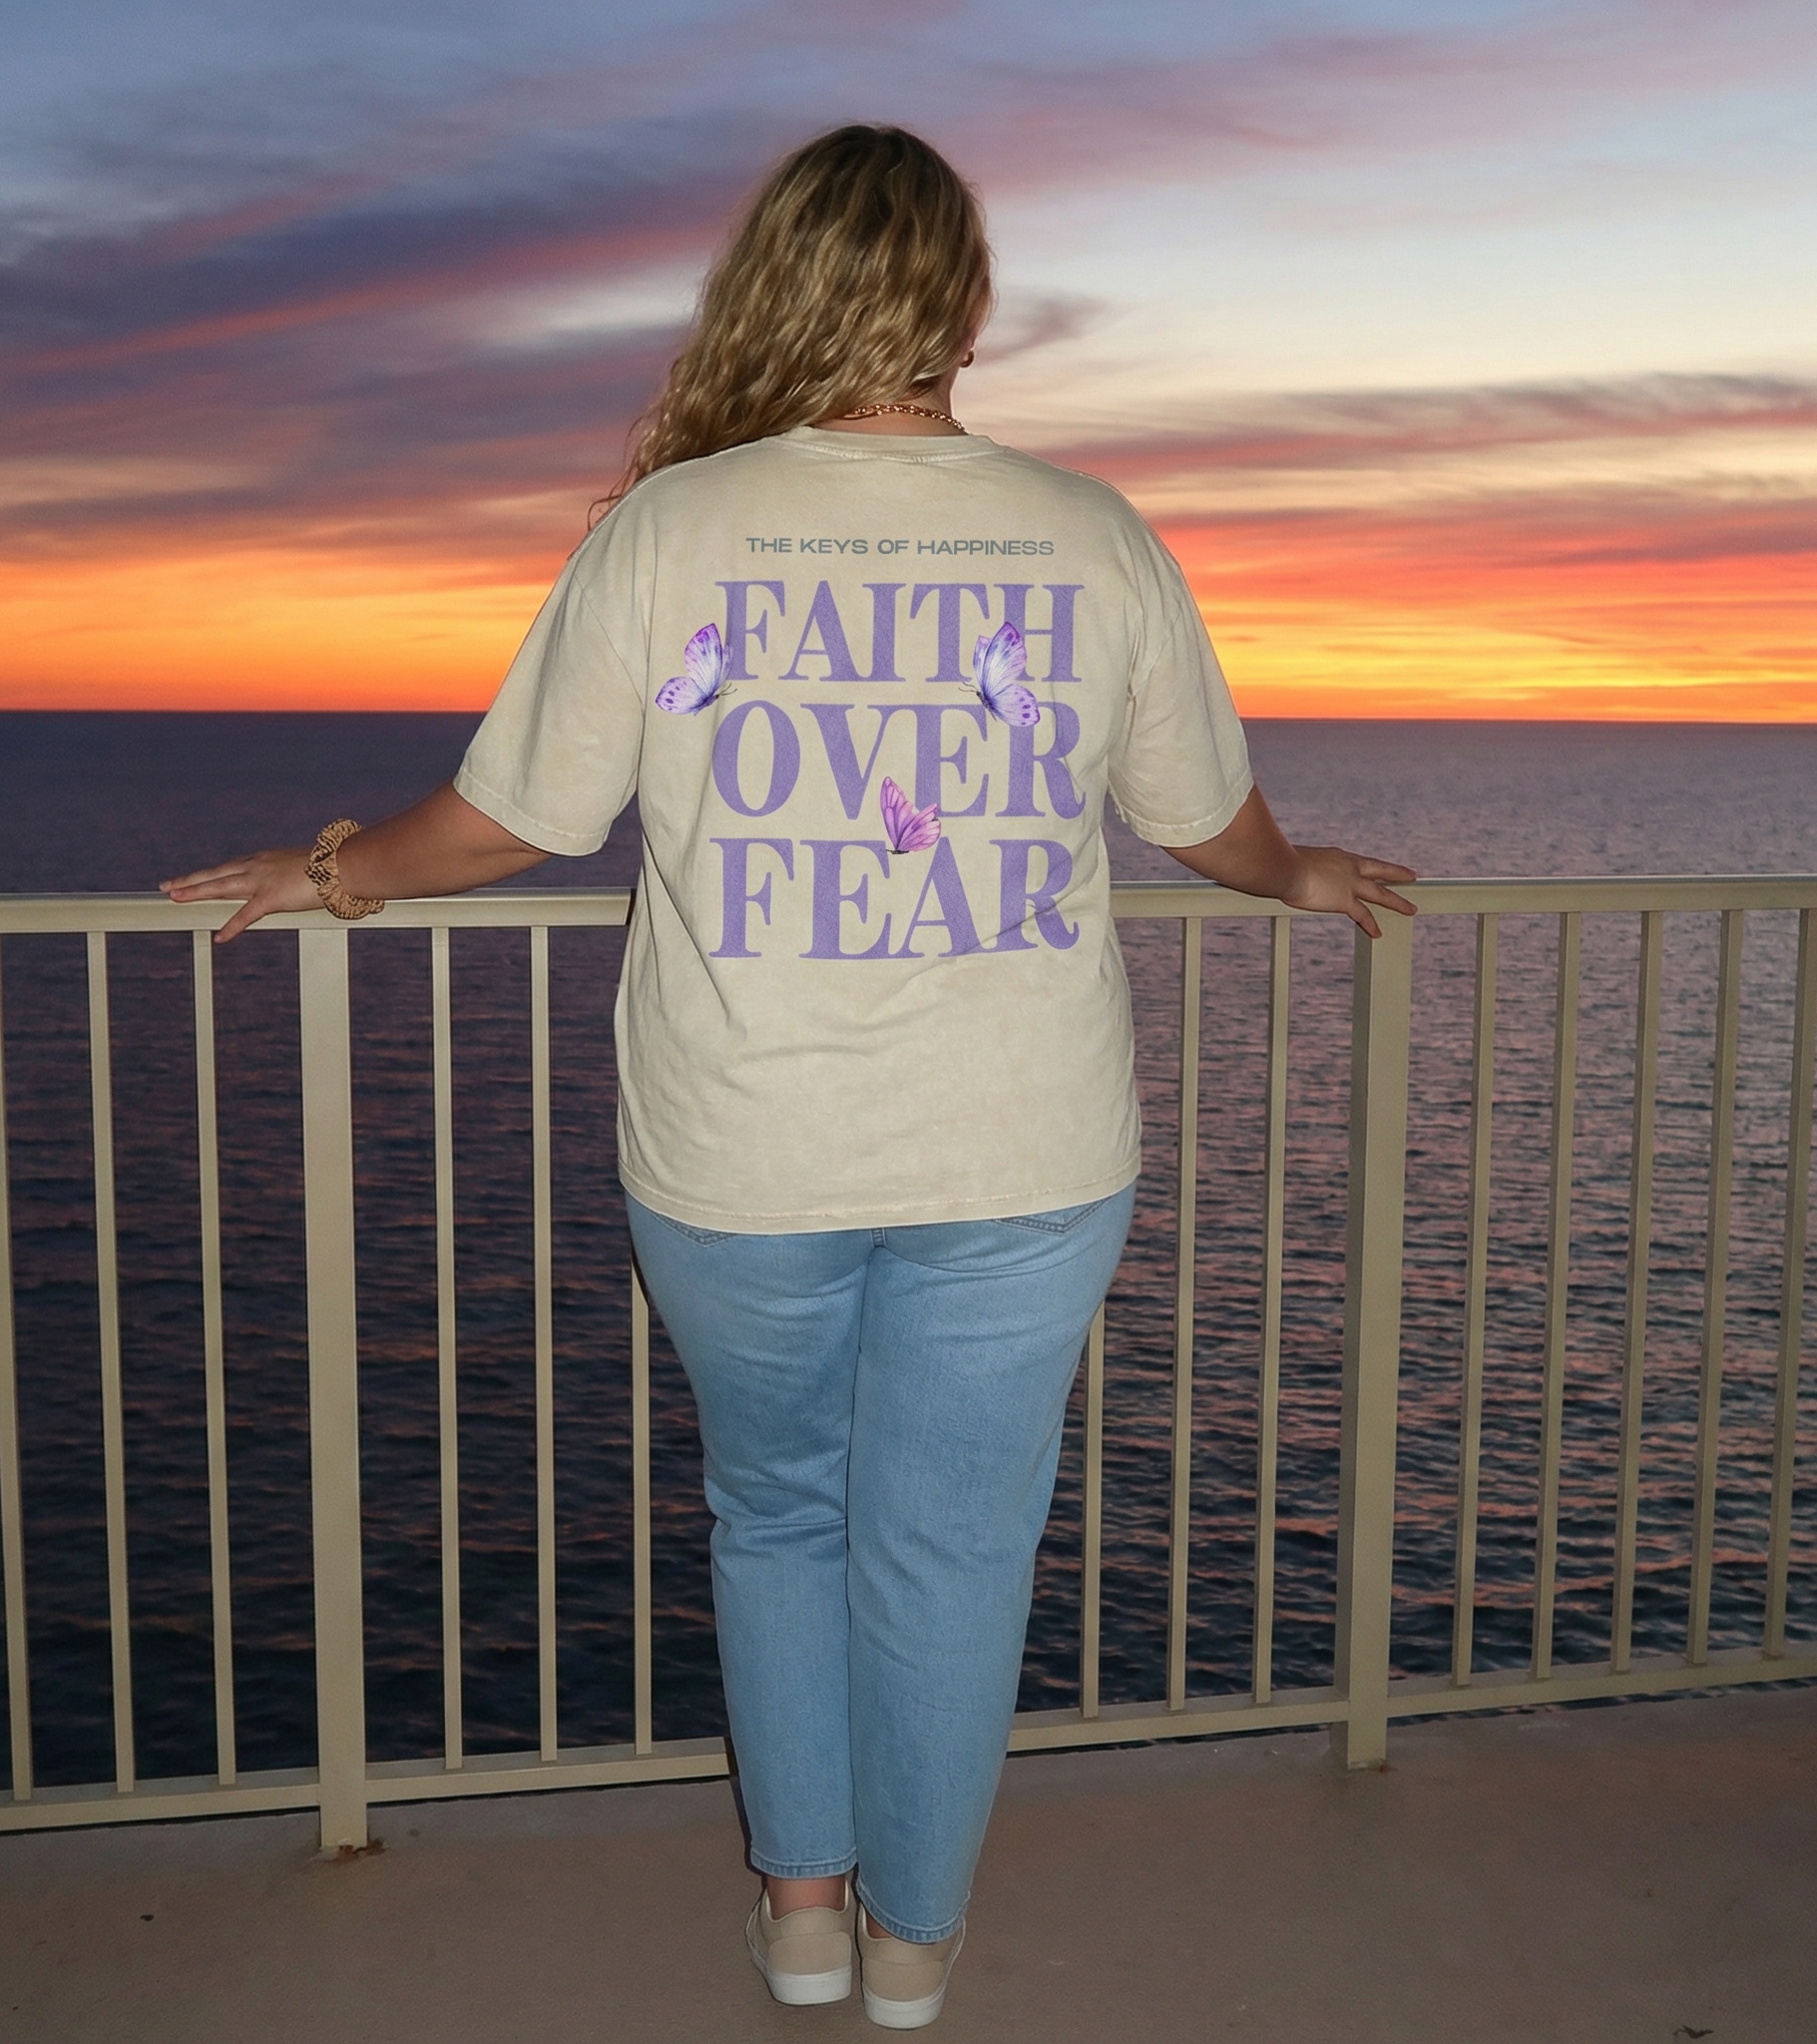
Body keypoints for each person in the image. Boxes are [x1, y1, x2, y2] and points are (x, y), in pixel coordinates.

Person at [164, 124, 1415, 2030]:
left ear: (773, 286)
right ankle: (915, 1944)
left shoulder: (673, 528)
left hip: (743, 1154)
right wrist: (1295, 872)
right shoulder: (1092, 535)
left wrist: (329, 873)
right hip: (1023, 1151)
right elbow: (1201, 817)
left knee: (782, 1520)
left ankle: (807, 1913)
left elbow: (511, 821)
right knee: (951, 1551)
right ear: (967, 306)